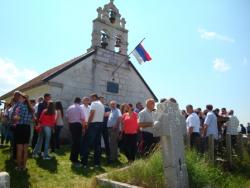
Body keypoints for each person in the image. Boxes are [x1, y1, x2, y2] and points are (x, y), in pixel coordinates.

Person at [82, 94, 104, 168]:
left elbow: (91, 114)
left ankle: (84, 163)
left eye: (91, 98)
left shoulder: (94, 104)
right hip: (100, 124)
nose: (90, 100)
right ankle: (96, 163)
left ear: (94, 97)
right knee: (97, 145)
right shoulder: (102, 104)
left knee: (87, 143)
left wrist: (88, 124)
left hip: (93, 125)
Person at [14, 93, 34, 170]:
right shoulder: (30, 108)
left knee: (19, 149)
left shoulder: (20, 106)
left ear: (23, 99)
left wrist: (14, 117)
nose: (19, 99)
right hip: (27, 128)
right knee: (25, 149)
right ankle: (24, 166)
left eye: (20, 98)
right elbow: (32, 118)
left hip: (20, 128)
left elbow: (18, 118)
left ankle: (19, 167)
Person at [66, 97, 85, 167]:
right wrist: (83, 128)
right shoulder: (80, 108)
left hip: (71, 125)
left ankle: (72, 158)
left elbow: (67, 117)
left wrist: (69, 125)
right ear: (79, 102)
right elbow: (83, 118)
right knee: (77, 143)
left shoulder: (70, 107)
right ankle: (75, 159)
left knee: (74, 142)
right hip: (77, 125)